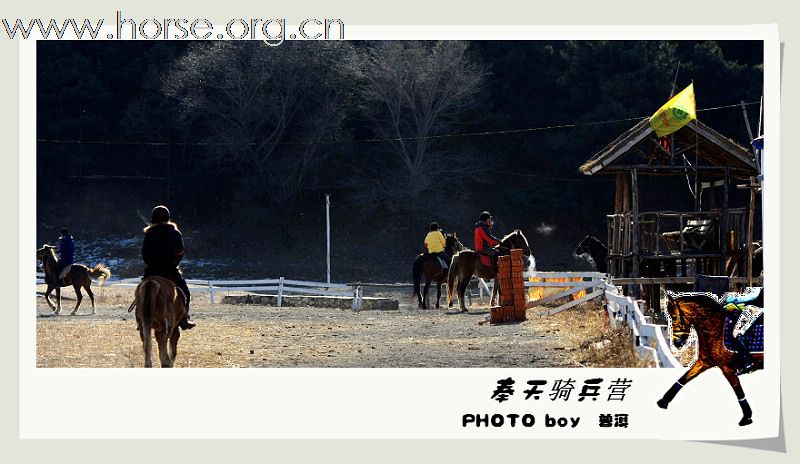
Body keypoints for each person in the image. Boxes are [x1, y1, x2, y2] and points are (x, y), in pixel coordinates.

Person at [141, 205, 196, 330]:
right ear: (168, 218)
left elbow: (145, 254)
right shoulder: (175, 233)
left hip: (152, 271)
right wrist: (172, 264)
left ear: (153, 219)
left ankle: (142, 318)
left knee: (143, 293)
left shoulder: (149, 233)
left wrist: (152, 264)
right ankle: (184, 318)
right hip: (170, 271)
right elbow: (180, 252)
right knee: (185, 292)